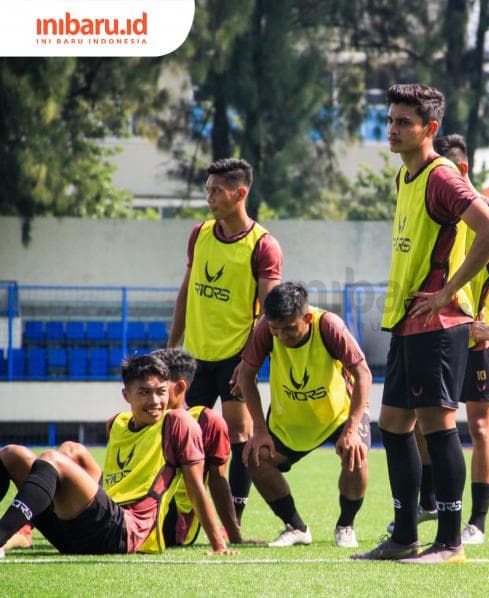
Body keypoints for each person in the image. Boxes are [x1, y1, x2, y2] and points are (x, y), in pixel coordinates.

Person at [352, 84, 489, 564]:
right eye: (390, 120)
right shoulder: (405, 177)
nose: (392, 130)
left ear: (430, 129)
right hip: (405, 322)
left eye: (404, 122)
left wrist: (445, 291)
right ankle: (404, 536)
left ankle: (451, 542)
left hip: (438, 324)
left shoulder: (442, 177)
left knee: (438, 426)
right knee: (394, 425)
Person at [393, 134, 489, 546]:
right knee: (420, 418)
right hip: (433, 328)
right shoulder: (424, 198)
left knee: (478, 425)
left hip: (473, 335)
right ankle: (429, 504)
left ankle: (477, 521)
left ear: (463, 171)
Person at [0, 354, 234, 555]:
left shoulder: (179, 421)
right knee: (12, 454)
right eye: (144, 392)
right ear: (126, 395)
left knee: (53, 459)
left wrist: (218, 544)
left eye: (161, 392)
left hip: (127, 531)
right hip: (79, 532)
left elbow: (195, 487)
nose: (154, 401)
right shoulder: (117, 423)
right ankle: (22, 530)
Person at [168, 157, 283, 525]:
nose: (209, 198)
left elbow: (269, 311)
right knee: (184, 433)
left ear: (240, 193)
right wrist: (173, 346)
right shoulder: (199, 234)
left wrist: (250, 361)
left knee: (240, 436)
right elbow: (187, 290)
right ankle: (178, 512)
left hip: (236, 358)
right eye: (208, 190)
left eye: (216, 191)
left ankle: (235, 515)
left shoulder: (263, 245)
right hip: (194, 359)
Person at [238, 282, 372, 548]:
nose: (281, 336)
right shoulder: (266, 328)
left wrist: (351, 430)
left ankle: (346, 525)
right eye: (276, 330)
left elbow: (363, 374)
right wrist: (260, 431)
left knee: (356, 455)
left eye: (289, 328)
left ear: (307, 318)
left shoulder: (329, 326)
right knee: (256, 458)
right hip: (291, 419)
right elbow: (246, 375)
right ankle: (296, 527)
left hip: (338, 414)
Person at [151, 348, 246, 546]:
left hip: (171, 521)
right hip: (130, 507)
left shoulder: (206, 420)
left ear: (179, 387)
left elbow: (217, 480)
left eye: (158, 385)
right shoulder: (138, 416)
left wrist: (234, 536)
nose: (149, 390)